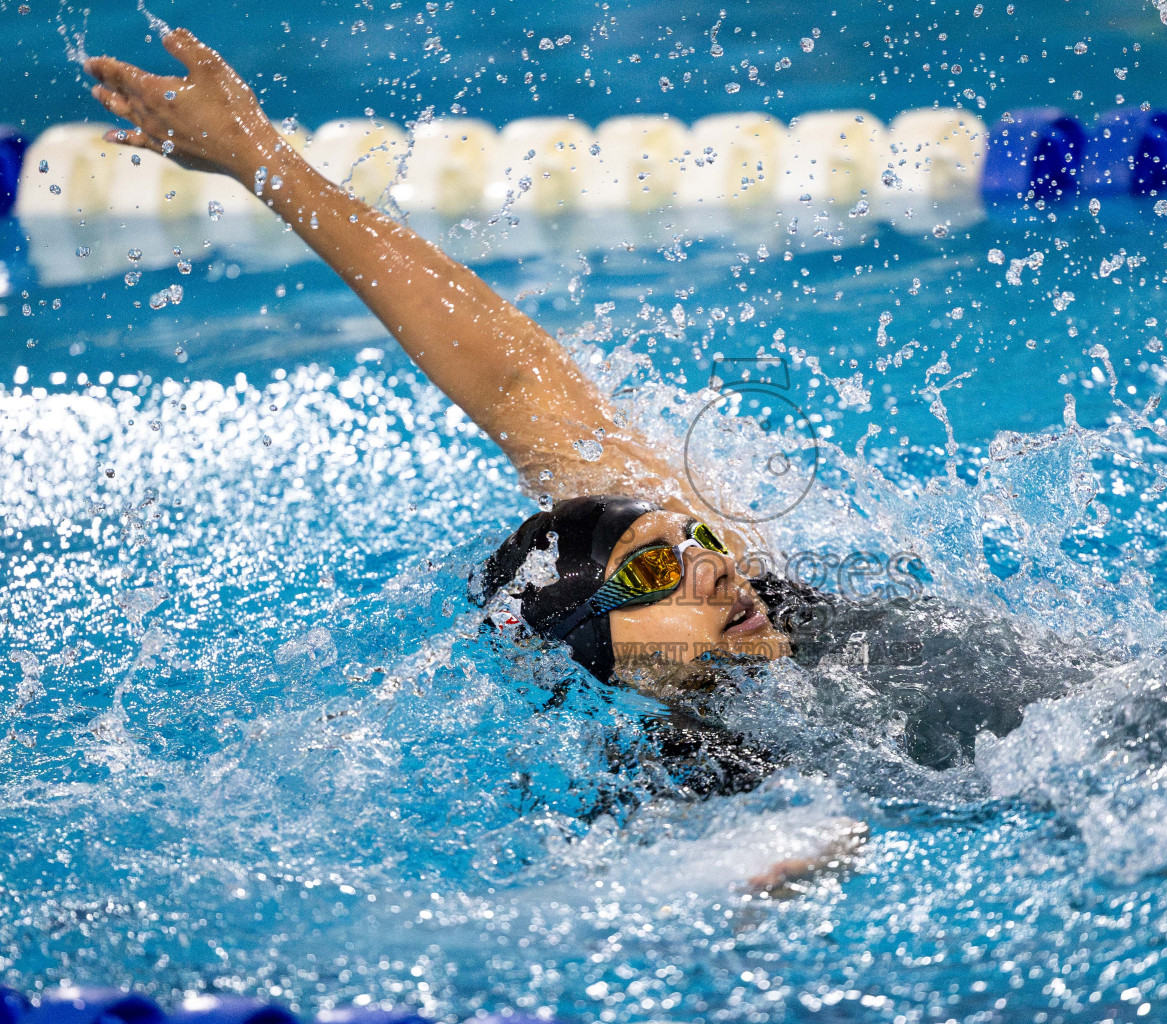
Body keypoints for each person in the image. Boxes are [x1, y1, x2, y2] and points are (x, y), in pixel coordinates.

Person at [83, 30, 1083, 887]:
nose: (711, 563)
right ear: (595, 651)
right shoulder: (676, 784)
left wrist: (266, 161)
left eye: (689, 540)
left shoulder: (782, 611)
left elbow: (516, 382)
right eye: (655, 572)